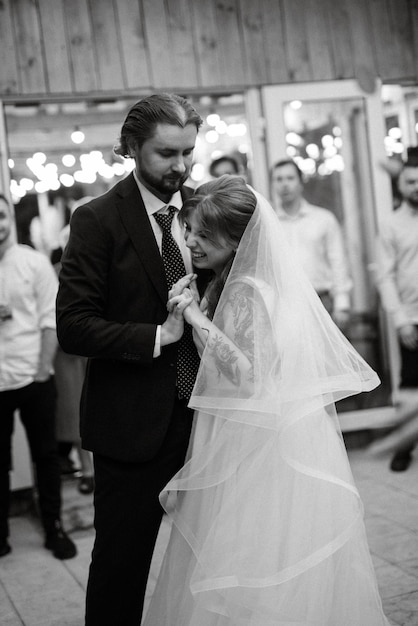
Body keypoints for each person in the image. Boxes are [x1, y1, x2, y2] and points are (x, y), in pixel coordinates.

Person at [143, 176, 390, 625]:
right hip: (254, 428)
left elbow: (245, 374)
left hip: (252, 437)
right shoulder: (238, 281)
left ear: (237, 240)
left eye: (204, 234)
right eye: (191, 230)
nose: (192, 242)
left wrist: (196, 317)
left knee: (248, 551)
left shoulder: (248, 290)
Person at [56, 93, 207, 625]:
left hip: (211, 420)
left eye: (189, 151)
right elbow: (73, 325)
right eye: (168, 154)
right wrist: (158, 335)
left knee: (214, 562)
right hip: (131, 428)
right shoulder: (96, 220)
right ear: (131, 148)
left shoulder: (204, 206)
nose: (182, 166)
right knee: (121, 568)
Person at [0, 193, 76, 560]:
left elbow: (51, 318)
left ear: (8, 219)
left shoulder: (32, 262)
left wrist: (44, 369)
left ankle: (54, 528)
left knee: (46, 456)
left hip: (34, 375)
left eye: (0, 216)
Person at [271, 159, 352, 330]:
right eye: (279, 179)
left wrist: (342, 303)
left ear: (301, 182)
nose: (284, 184)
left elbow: (338, 261)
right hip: (285, 304)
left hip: (323, 301)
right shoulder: (269, 223)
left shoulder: (323, 219)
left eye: (290, 178)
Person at [376, 159, 418, 472]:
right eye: (411, 181)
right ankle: (404, 446)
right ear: (401, 186)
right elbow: (385, 276)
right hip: (411, 316)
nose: (416, 187)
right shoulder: (391, 224)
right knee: (410, 384)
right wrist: (400, 318)